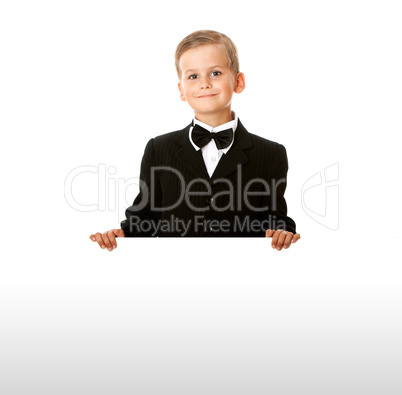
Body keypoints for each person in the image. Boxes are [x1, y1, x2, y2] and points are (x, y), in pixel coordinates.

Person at [90, 30, 301, 250]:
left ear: (238, 81)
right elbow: (144, 219)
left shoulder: (270, 153)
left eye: (215, 73)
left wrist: (281, 232)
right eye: (193, 76)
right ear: (182, 90)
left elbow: (274, 217)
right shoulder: (158, 149)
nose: (204, 84)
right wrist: (119, 236)